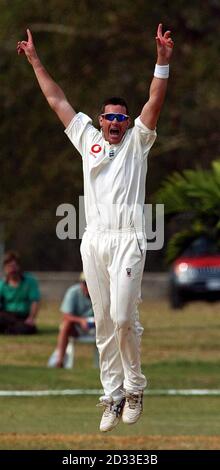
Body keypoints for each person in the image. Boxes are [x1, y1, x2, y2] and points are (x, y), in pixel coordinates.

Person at [17, 23, 174, 431]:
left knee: (123, 317)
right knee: (103, 321)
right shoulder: (88, 139)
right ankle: (112, 394)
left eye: (121, 118)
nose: (116, 123)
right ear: (101, 120)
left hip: (128, 240)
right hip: (94, 241)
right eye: (110, 118)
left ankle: (135, 386)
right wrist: (35, 60)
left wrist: (161, 63)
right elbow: (56, 99)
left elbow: (154, 102)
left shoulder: (139, 141)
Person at [55, 272, 94, 368]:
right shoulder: (73, 292)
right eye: (85, 283)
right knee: (66, 325)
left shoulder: (103, 292)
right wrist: (81, 321)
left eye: (90, 283)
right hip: (78, 327)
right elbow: (66, 315)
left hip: (97, 327)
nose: (87, 286)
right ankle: (60, 360)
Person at [0, 251, 40, 334]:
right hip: (7, 315)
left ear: (19, 266)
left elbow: (35, 301)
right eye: (9, 267)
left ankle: (9, 329)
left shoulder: (30, 281)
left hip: (23, 316)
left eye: (14, 266)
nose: (12, 270)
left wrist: (31, 318)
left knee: (28, 328)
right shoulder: (2, 285)